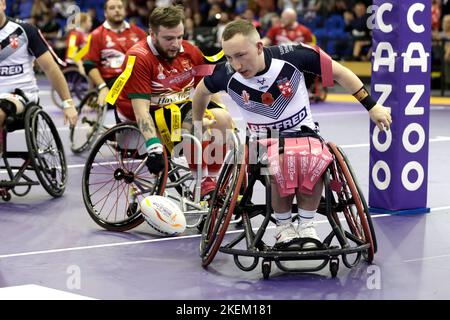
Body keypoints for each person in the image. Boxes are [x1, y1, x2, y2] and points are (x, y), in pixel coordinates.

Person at [192, 19, 392, 248]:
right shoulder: (225, 72)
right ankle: (284, 228)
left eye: (241, 55)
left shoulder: (294, 55)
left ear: (259, 47)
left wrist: (372, 106)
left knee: (310, 159)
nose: (236, 65)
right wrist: (198, 125)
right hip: (261, 143)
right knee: (282, 162)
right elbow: (201, 93)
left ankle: (306, 226)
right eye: (229, 57)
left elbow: (340, 73)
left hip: (304, 133)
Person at [114, 5, 234, 200]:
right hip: (147, 111)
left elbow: (207, 88)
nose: (176, 44)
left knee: (221, 119)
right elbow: (141, 111)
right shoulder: (139, 57)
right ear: (152, 34)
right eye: (169, 38)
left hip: (177, 106)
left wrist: (224, 115)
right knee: (193, 122)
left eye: (180, 36)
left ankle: (209, 182)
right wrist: (153, 147)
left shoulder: (189, 50)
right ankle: (200, 180)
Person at [0, 0, 78, 151]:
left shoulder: (25, 30)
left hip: (21, 95)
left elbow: (51, 68)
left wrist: (68, 103)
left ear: (3, 4)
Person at [82, 0, 147, 107]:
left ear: (125, 11)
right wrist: (102, 87)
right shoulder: (97, 35)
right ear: (105, 13)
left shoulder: (139, 33)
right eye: (112, 8)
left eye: (120, 7)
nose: (117, 10)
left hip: (138, 79)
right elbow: (89, 65)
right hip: (113, 81)